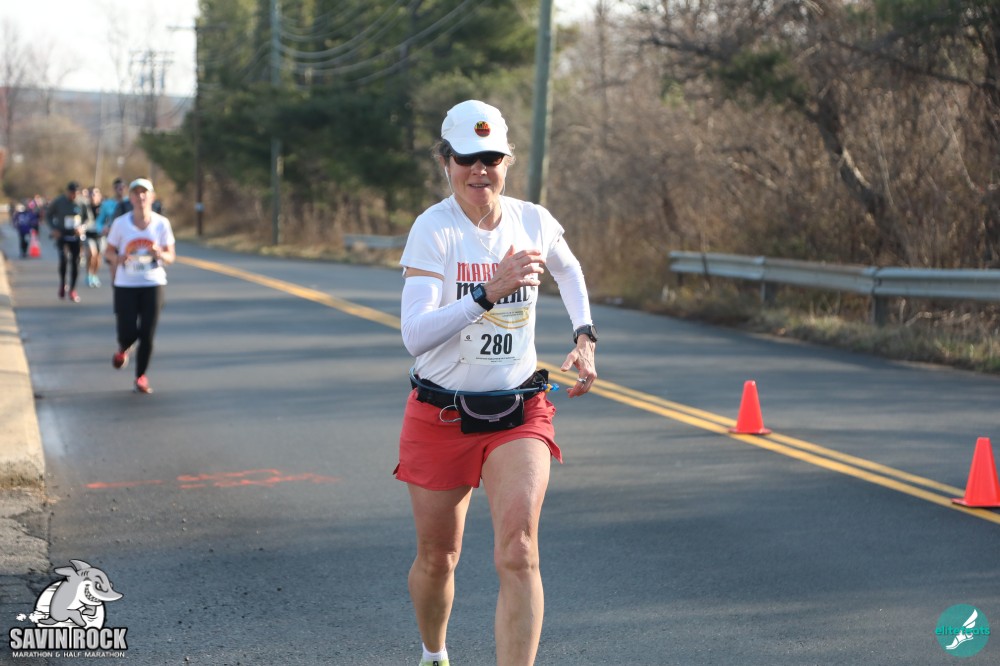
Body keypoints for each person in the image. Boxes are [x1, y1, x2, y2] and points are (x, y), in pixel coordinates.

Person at [396, 100, 599, 666]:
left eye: (491, 158)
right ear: (446, 162)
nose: (479, 170)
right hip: (441, 415)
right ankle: (434, 652)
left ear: (507, 161)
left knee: (520, 551)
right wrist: (487, 292)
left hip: (518, 410)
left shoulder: (532, 220)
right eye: (467, 159)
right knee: (439, 558)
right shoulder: (434, 229)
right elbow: (415, 335)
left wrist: (584, 335)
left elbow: (569, 270)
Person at [104, 178, 176, 394]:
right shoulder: (120, 224)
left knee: (147, 333)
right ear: (131, 198)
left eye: (145, 193)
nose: (140, 197)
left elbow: (171, 256)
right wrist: (119, 258)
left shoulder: (161, 224)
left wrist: (159, 254)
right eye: (136, 193)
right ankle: (123, 348)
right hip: (126, 284)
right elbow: (108, 252)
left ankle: (140, 376)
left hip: (153, 283)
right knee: (127, 332)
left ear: (152, 197)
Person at [46, 181, 88, 302]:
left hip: (76, 236)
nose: (73, 196)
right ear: (67, 192)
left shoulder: (82, 202)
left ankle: (73, 289)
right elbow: (48, 215)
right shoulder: (59, 201)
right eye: (71, 193)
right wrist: (54, 229)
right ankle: (63, 284)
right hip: (62, 234)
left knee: (75, 262)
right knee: (63, 260)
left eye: (76, 193)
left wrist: (82, 227)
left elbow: (88, 218)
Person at [83, 185, 104, 287]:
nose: (93, 196)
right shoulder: (85, 207)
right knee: (92, 254)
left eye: (95, 193)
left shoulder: (103, 207)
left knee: (98, 258)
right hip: (89, 235)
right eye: (91, 194)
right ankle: (88, 275)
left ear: (99, 195)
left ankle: (94, 275)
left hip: (100, 235)